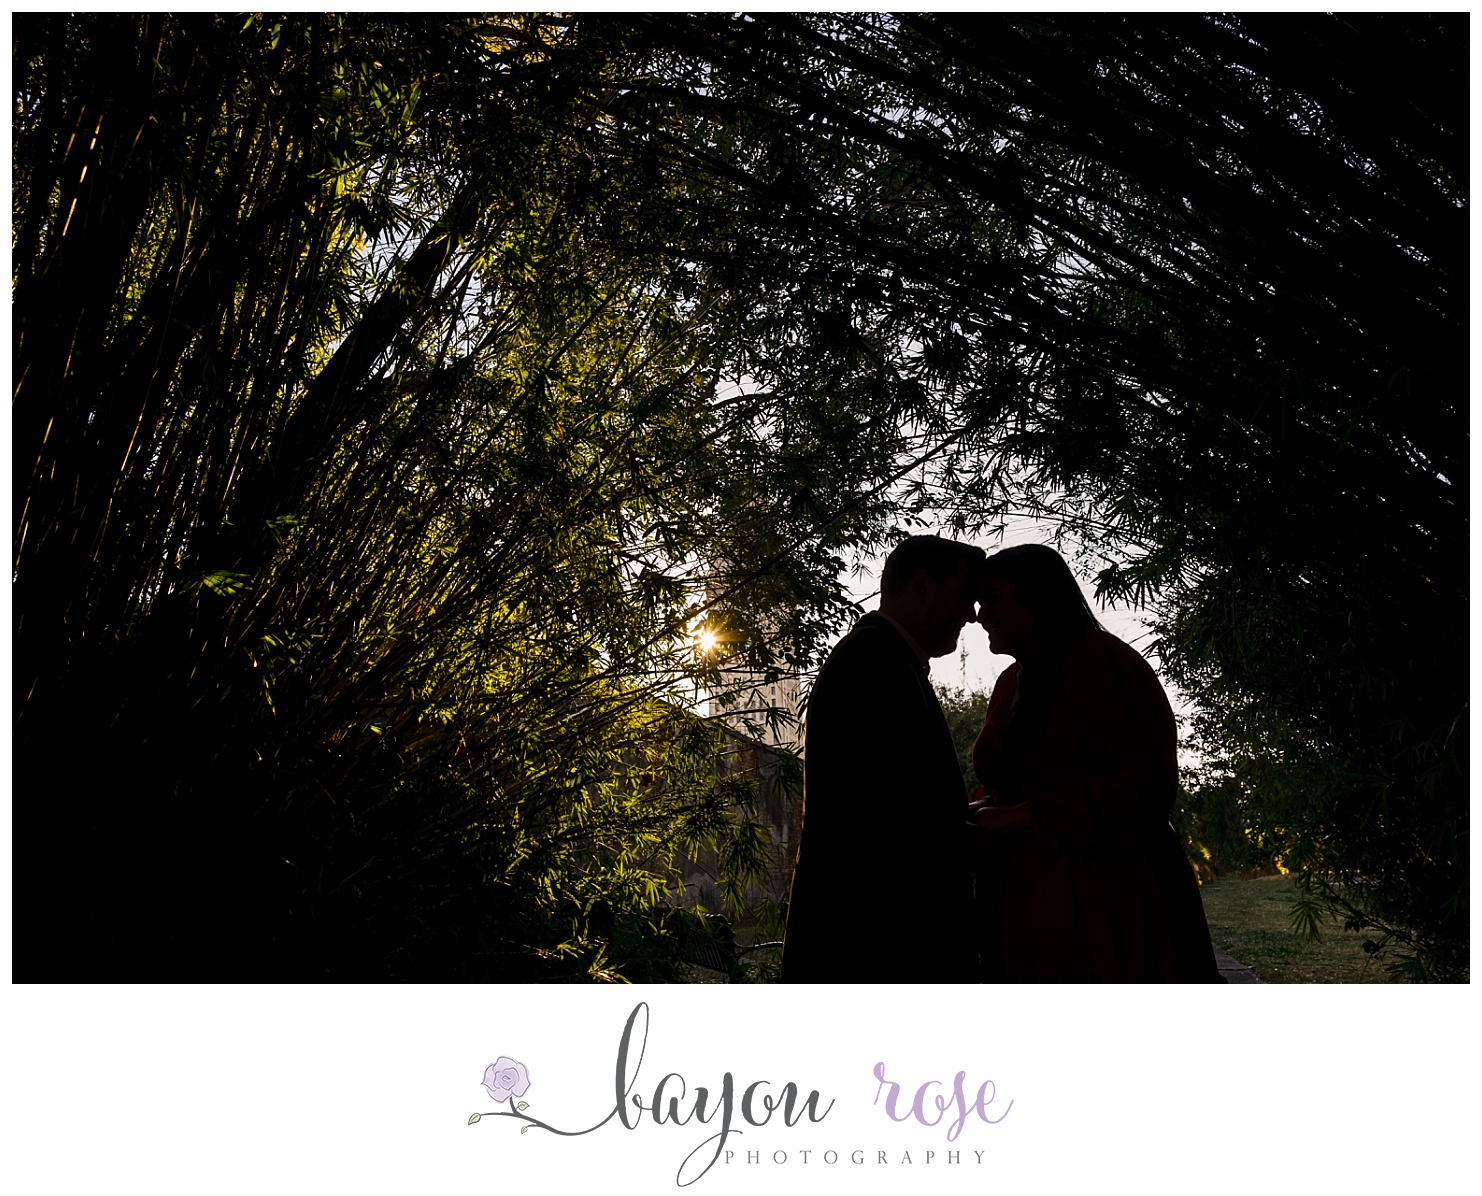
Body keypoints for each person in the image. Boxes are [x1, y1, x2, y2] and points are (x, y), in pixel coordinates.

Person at [968, 544, 1221, 982]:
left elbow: (1140, 784)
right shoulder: (1013, 681)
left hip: (1098, 900)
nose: (979, 614)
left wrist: (1021, 818)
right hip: (1026, 898)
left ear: (1036, 597)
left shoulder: (1104, 664)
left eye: (991, 597)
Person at [780, 535, 984, 983]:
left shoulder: (883, 660)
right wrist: (986, 833)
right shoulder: (875, 664)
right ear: (925, 586)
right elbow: (892, 820)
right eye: (965, 597)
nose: (972, 614)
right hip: (875, 947)